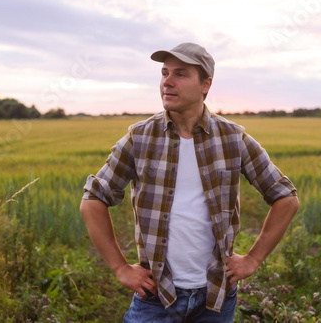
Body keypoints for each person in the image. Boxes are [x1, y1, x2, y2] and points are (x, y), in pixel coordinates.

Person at [80, 42, 299, 322]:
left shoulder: (233, 139)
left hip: (216, 296)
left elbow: (286, 198)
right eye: (164, 73)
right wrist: (120, 268)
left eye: (180, 74)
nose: (167, 82)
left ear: (205, 84)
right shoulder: (140, 138)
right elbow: (92, 201)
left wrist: (253, 260)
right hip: (157, 296)